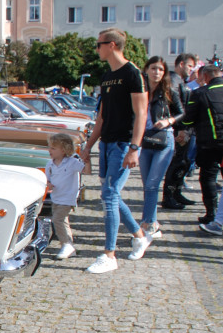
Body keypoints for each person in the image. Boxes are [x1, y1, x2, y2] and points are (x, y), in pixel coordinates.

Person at [82, 28, 151, 274]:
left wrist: (134, 148)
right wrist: (88, 146)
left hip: (123, 144)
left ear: (111, 45)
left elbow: (141, 114)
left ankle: (109, 254)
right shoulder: (107, 76)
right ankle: (139, 236)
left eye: (98, 45)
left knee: (109, 195)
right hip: (107, 142)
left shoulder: (133, 74)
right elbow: (101, 116)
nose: (96, 49)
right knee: (110, 194)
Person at [181, 64, 223, 225]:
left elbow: (188, 119)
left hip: (209, 142)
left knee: (208, 177)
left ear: (205, 76)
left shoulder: (200, 93)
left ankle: (212, 212)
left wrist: (182, 126)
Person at [138, 56, 182, 238]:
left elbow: (181, 112)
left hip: (163, 139)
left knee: (152, 184)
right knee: (147, 185)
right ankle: (152, 222)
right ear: (146, 69)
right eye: (154, 68)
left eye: (161, 69)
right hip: (144, 139)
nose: (157, 72)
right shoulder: (140, 90)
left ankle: (148, 223)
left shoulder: (168, 91)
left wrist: (168, 121)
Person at [162, 53, 198, 209]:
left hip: (183, 127)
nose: (191, 70)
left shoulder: (179, 81)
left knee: (183, 162)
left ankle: (176, 192)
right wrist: (181, 128)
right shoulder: (173, 80)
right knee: (177, 163)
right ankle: (169, 195)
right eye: (190, 66)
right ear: (181, 64)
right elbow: (176, 108)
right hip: (178, 128)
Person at [46, 132, 84, 260]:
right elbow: (48, 179)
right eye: (50, 147)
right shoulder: (50, 164)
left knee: (57, 220)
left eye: (53, 148)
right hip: (56, 197)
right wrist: (49, 184)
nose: (50, 150)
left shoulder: (72, 162)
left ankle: (66, 244)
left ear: (63, 150)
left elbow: (84, 169)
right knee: (63, 221)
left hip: (68, 198)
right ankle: (69, 246)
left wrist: (86, 159)